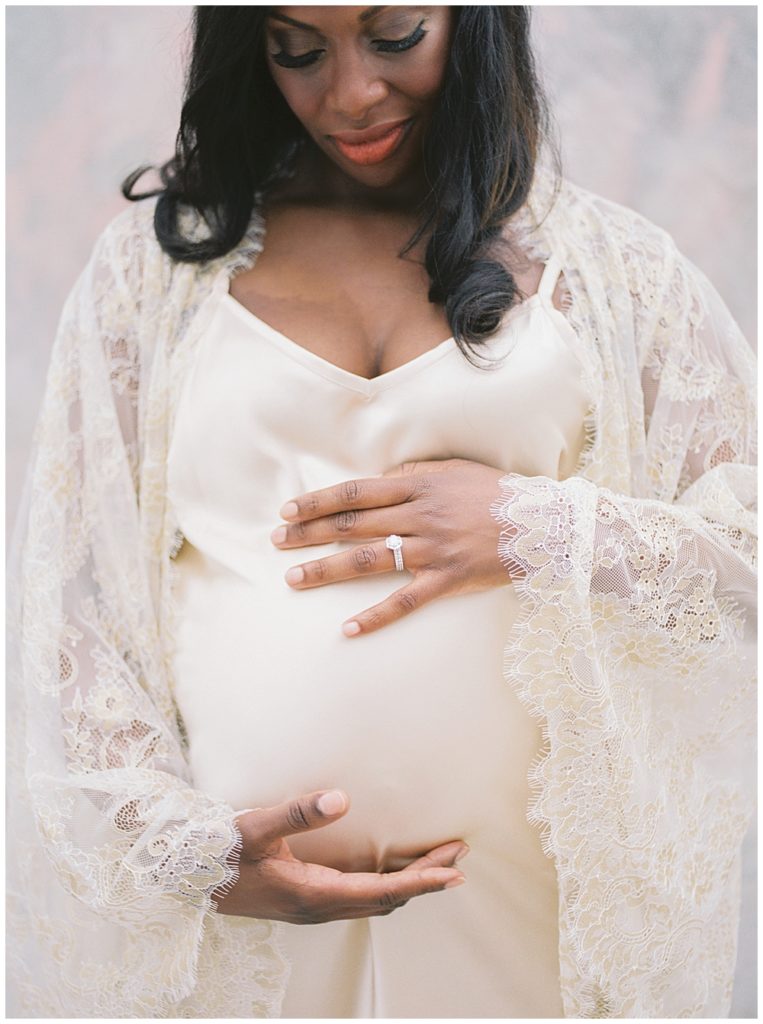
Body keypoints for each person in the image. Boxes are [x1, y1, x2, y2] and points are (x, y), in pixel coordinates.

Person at [7, 5, 756, 1018]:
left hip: (525, 921)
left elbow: (734, 599)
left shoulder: (619, 276)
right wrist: (192, 855)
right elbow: (71, 605)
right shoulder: (152, 281)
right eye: (297, 50)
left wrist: (538, 527)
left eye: (394, 35)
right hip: (252, 930)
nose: (349, 92)